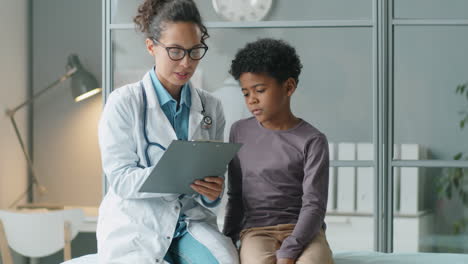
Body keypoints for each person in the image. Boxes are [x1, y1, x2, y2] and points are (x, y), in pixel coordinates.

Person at [97, 0, 239, 263]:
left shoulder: (211, 107)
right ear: (152, 46)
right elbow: (120, 179)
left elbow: (214, 181)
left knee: (226, 260)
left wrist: (213, 192)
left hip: (190, 223)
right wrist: (175, 174)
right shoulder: (123, 103)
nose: (186, 63)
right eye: (175, 51)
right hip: (138, 224)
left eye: (195, 51)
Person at [223, 38, 334, 264]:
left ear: (289, 87)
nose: (252, 100)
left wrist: (289, 251)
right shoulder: (239, 132)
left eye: (260, 90)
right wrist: (227, 239)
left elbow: (314, 204)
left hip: (305, 232)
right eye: (245, 93)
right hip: (256, 231)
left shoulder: (312, 140)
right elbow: (236, 196)